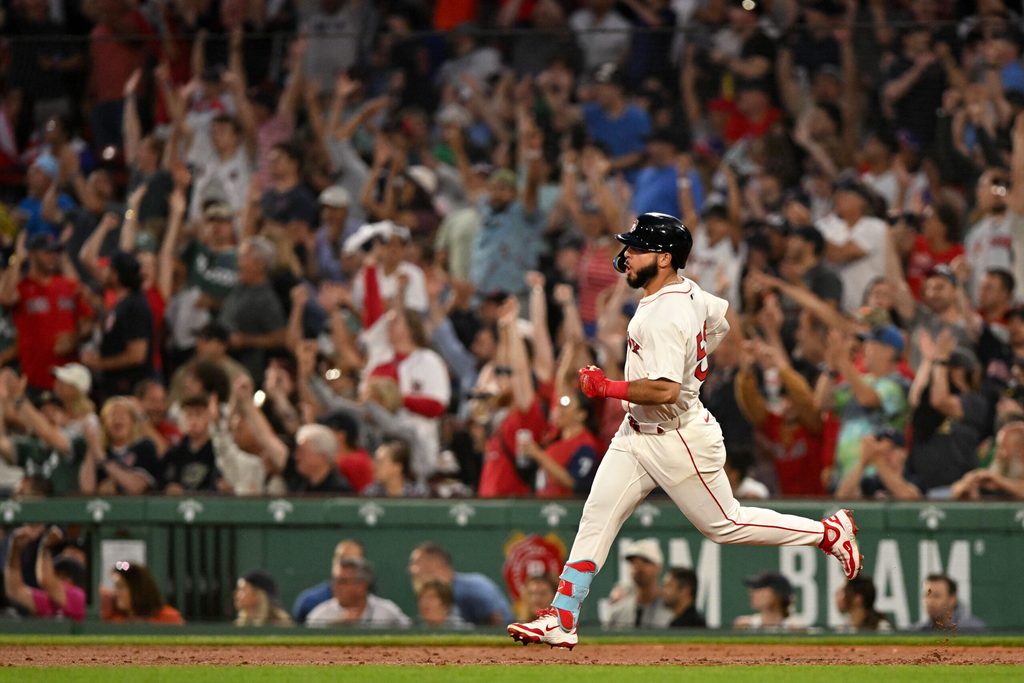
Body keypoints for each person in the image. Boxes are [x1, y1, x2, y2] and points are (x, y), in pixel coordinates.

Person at [507, 213, 861, 649]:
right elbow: (721, 320)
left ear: (664, 257)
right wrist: (697, 362)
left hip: (677, 437)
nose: (627, 256)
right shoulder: (687, 293)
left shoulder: (666, 313)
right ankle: (562, 617)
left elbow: (666, 390)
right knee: (596, 519)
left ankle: (828, 533)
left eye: (637, 249)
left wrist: (607, 388)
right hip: (636, 434)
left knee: (725, 525)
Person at [408, 542, 513, 627]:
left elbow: (498, 620)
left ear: (434, 563)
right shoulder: (431, 592)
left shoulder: (474, 586)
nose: (411, 570)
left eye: (416, 562)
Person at [3, 525, 87, 622]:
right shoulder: (51, 602)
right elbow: (15, 590)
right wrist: (15, 550)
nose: (55, 579)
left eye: (57, 575)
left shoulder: (79, 597)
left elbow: (46, 581)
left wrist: (45, 546)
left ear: (67, 578)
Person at [306, 557, 410, 628]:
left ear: (362, 585)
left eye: (343, 582)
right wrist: (335, 626)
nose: (336, 587)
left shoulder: (387, 611)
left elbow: (411, 632)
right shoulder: (320, 615)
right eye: (335, 581)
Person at [601, 538, 672, 628]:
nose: (639, 566)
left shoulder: (672, 609)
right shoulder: (619, 611)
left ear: (658, 567)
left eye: (645, 561)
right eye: (633, 562)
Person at [291, 539, 366, 624]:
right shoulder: (309, 601)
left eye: (352, 562)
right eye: (341, 559)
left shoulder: (377, 605)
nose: (345, 566)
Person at [101, 560, 184, 625]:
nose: (116, 592)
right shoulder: (114, 620)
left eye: (121, 586)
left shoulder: (168, 618)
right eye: (116, 586)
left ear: (137, 588)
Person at [733, 571, 806, 631]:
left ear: (777, 593)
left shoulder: (796, 628)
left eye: (759, 588)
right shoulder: (745, 625)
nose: (752, 593)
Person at [914, 574, 986, 632]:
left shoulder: (974, 629)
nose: (930, 601)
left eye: (936, 596)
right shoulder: (916, 631)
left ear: (952, 599)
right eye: (927, 595)